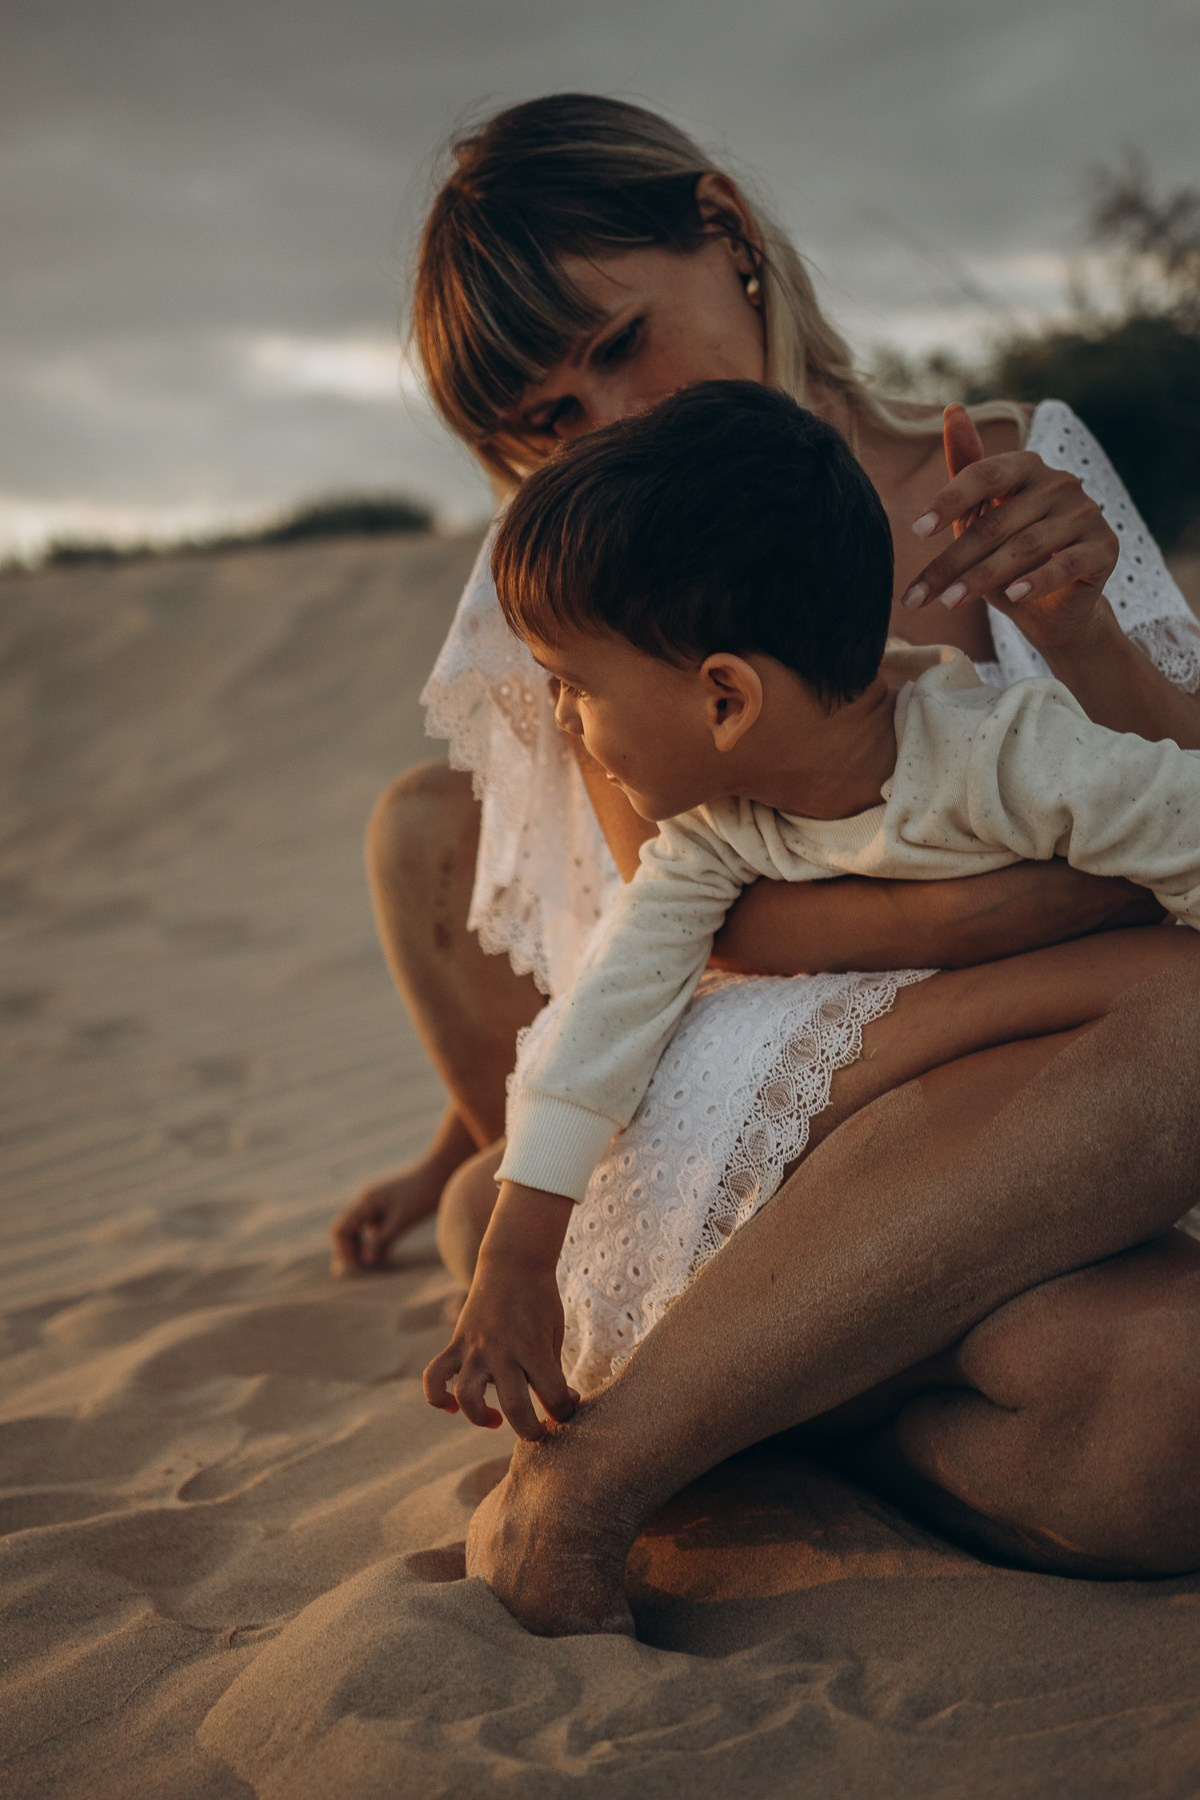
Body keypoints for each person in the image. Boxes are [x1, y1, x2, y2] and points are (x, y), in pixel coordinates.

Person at [331, 94, 1200, 1627]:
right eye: (546, 421)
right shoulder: (579, 552)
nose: (608, 428)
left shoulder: (1008, 459)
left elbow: (1171, 770)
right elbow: (720, 920)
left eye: (616, 346)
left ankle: (791, 1401)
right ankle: (598, 1481)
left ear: (725, 237)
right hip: (786, 1036)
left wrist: (1081, 627)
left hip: (1046, 1100)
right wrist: (1079, 905)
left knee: (1173, 1416)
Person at [423, 379, 1200, 1443]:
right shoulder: (720, 834)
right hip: (895, 1168)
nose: (563, 719)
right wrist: (520, 1251)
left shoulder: (1008, 759)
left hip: (1050, 1139)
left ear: (726, 699)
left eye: (573, 686)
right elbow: (609, 1009)